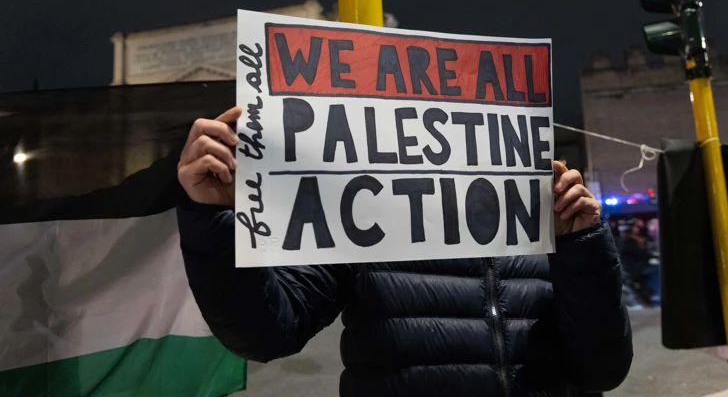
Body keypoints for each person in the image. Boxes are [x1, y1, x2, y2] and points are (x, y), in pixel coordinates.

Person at [177, 107, 633, 397]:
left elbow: (603, 371)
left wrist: (580, 245)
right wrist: (215, 218)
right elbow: (265, 334)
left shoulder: (547, 227)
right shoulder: (360, 223)